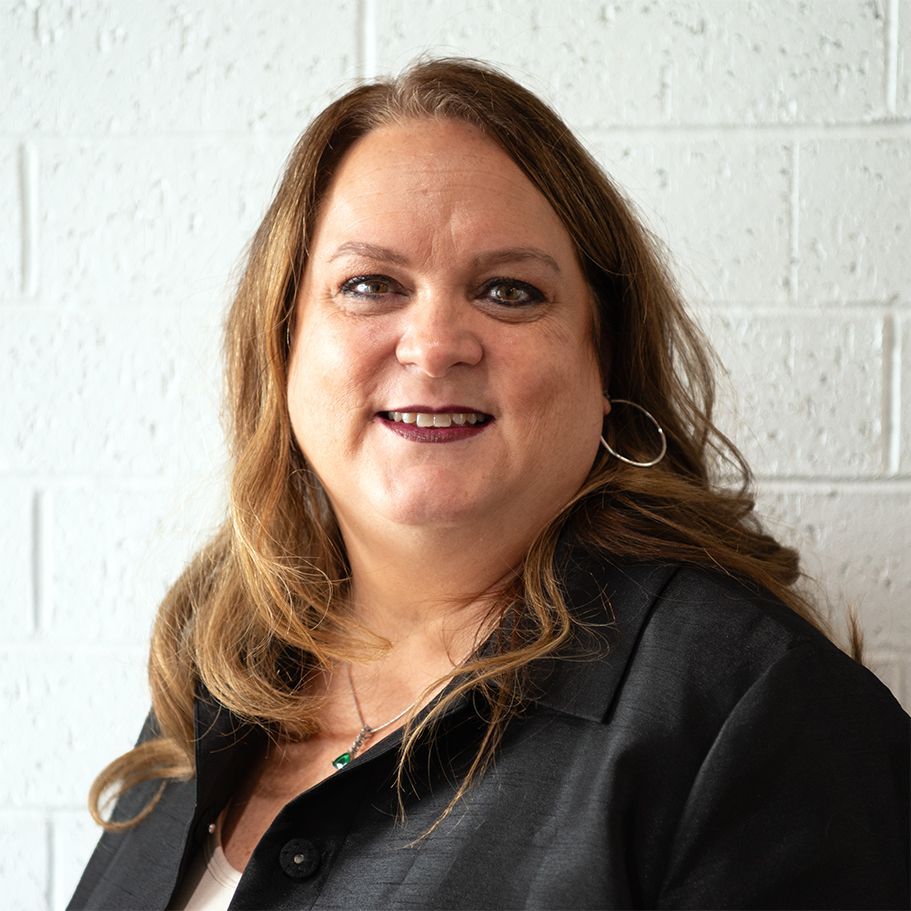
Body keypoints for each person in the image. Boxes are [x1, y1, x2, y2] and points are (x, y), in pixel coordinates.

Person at [69, 58, 908, 911]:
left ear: (605, 362)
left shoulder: (752, 713)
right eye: (369, 285)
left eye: (508, 291)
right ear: (281, 346)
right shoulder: (220, 668)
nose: (435, 345)